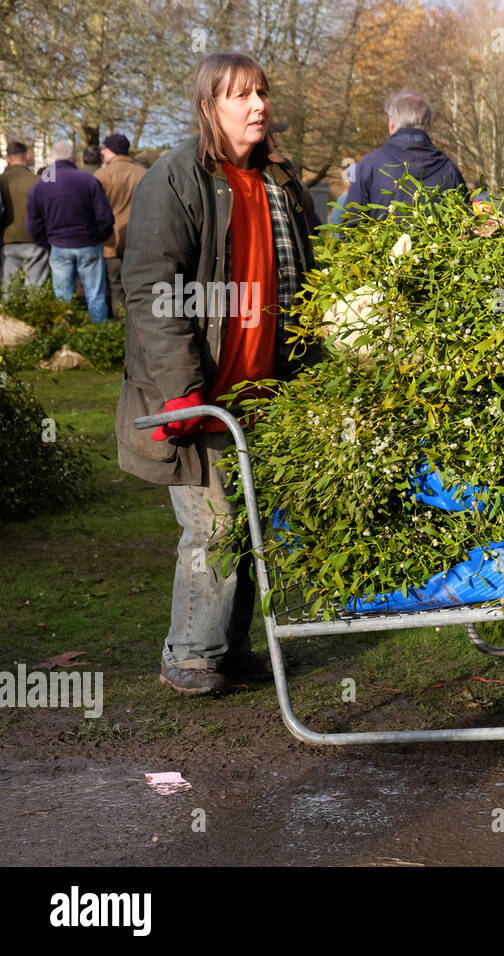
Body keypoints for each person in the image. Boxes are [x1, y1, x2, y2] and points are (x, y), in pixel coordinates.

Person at [114, 51, 317, 696]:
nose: (258, 106)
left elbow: (306, 282)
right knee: (214, 522)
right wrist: (181, 387)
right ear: (210, 107)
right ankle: (191, 653)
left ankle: (228, 646)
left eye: (261, 92)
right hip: (202, 389)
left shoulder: (281, 181)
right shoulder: (175, 178)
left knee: (253, 518)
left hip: (267, 386)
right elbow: (150, 288)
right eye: (241, 96)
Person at [339, 88, 465, 225]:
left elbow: (351, 227)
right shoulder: (448, 168)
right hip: (438, 246)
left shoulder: (369, 166)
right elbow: (465, 223)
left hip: (380, 246)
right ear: (427, 125)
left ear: (392, 124)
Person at [25, 140, 114, 323]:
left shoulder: (42, 184)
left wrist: (47, 242)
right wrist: (96, 238)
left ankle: (65, 339)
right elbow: (105, 218)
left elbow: (33, 222)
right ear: (74, 158)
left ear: (52, 159)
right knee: (95, 296)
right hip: (88, 243)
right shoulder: (88, 180)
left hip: (59, 245)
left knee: (62, 299)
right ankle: (99, 340)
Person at [94, 133, 148, 319]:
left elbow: (95, 208)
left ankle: (119, 321)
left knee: (115, 283)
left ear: (110, 151)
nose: (102, 152)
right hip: (139, 237)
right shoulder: (143, 172)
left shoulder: (102, 175)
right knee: (137, 285)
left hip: (111, 238)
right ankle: (136, 320)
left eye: (104, 149)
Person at [0, 141, 50, 288]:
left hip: (7, 240)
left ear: (8, 158)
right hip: (35, 239)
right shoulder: (39, 181)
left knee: (10, 290)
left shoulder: (1, 181)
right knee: (35, 291)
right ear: (27, 156)